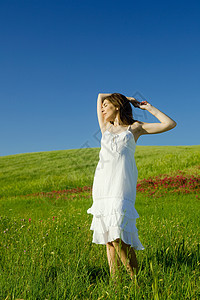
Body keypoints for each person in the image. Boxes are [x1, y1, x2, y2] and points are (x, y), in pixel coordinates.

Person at [87, 93, 177, 280]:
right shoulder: (105, 127)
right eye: (101, 106)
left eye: (106, 105)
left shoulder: (134, 128)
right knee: (109, 240)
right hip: (102, 187)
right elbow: (100, 95)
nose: (102, 108)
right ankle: (116, 285)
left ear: (117, 106)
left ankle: (136, 281)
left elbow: (169, 124)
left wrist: (147, 107)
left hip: (121, 186)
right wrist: (125, 97)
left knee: (119, 237)